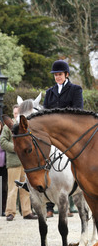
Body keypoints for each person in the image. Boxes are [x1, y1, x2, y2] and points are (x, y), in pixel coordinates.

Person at [44, 60, 83, 217]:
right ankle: (47, 202)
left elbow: (77, 110)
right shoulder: (50, 92)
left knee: (77, 157)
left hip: (70, 132)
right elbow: (45, 112)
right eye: (55, 75)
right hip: (53, 133)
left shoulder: (75, 89)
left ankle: (78, 189)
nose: (57, 77)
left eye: (59, 74)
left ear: (66, 74)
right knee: (42, 156)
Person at [0, 104, 37, 222]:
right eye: (15, 113)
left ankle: (27, 212)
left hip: (25, 162)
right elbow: (3, 142)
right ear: (13, 114)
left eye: (18, 113)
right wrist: (16, 148)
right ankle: (10, 212)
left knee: (26, 188)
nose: (17, 115)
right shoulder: (8, 127)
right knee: (12, 188)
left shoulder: (25, 126)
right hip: (14, 162)